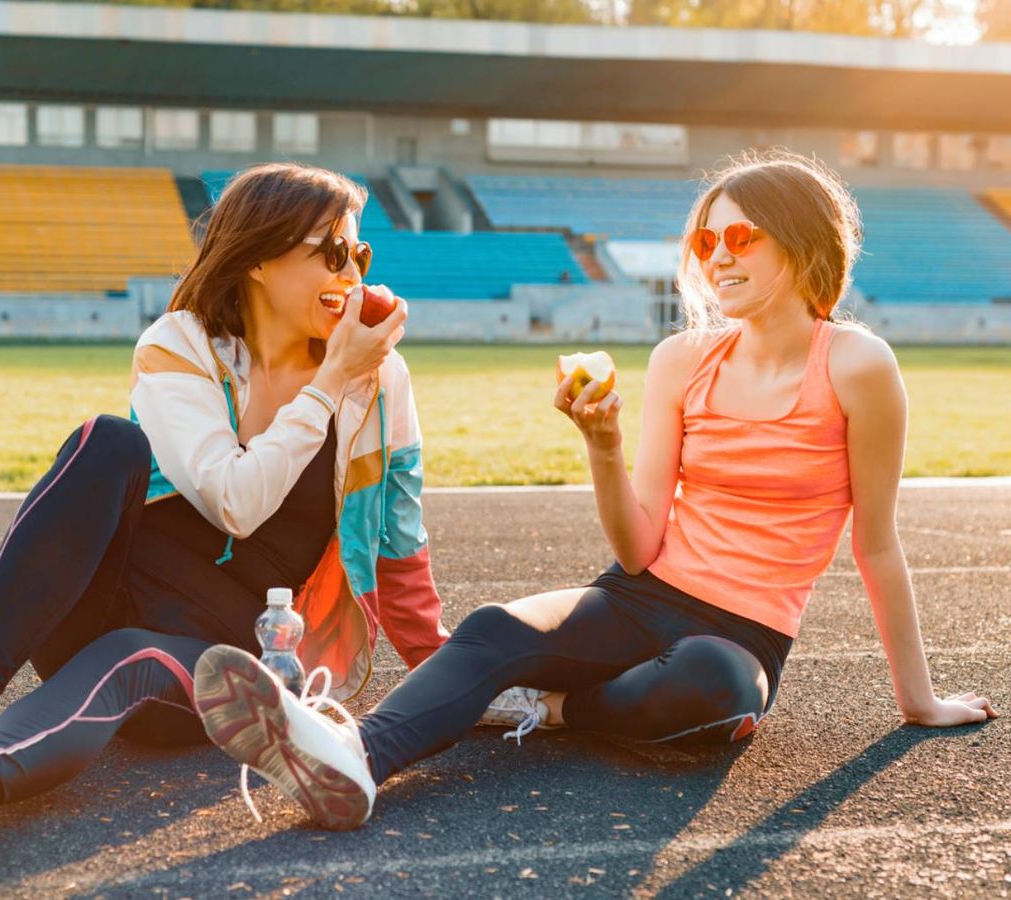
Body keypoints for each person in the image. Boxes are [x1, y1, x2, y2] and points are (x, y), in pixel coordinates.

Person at [189, 150, 999, 831]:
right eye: (704, 239)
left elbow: (878, 544)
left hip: (743, 638)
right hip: (640, 596)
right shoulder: (686, 361)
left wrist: (917, 700)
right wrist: (602, 444)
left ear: (801, 243)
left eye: (741, 237)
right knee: (495, 628)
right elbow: (638, 546)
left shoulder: (858, 366)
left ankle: (556, 708)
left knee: (710, 689)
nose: (716, 256)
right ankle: (352, 758)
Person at [0, 163, 449, 860]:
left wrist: (477, 682)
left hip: (228, 657)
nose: (353, 273)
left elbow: (401, 551)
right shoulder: (179, 344)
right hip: (107, 598)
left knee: (130, 657)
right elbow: (236, 500)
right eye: (332, 252)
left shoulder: (380, 380)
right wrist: (330, 383)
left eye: (360, 254)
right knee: (108, 440)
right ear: (256, 258)